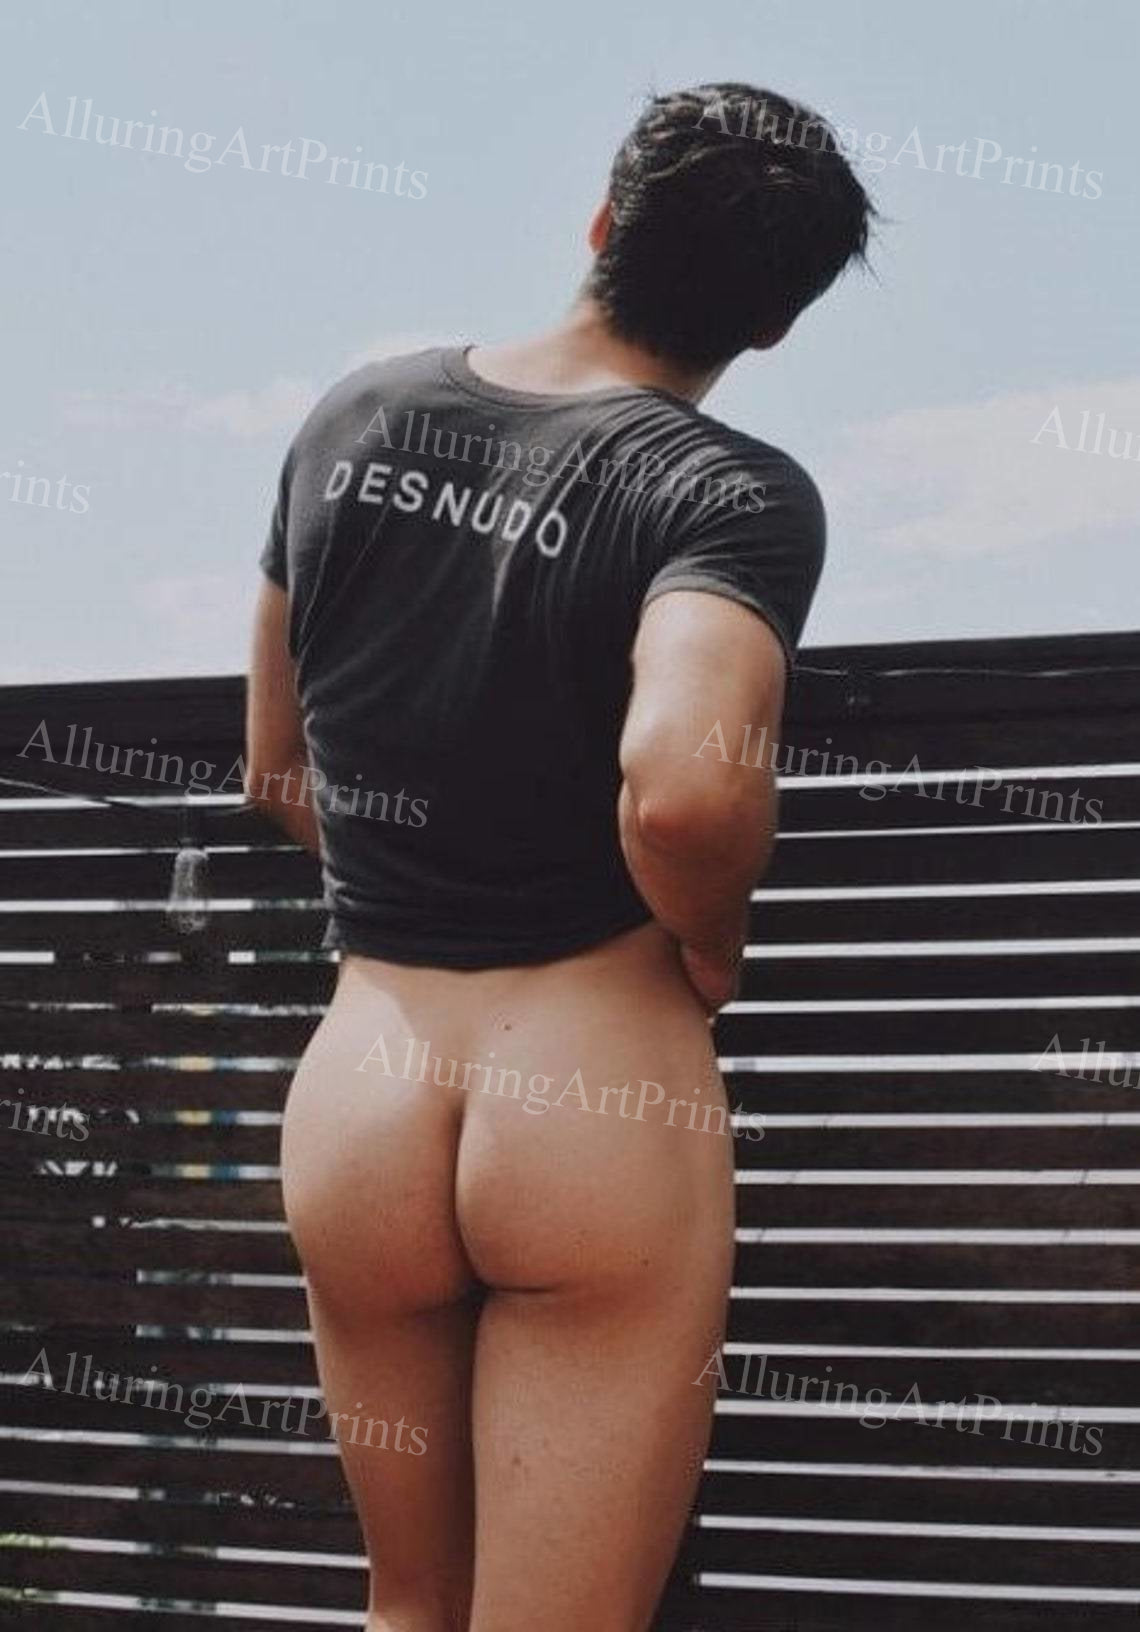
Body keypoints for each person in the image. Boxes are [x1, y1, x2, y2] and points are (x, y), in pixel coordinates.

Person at [245, 81, 873, 1632]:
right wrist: (711, 939)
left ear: (601, 225)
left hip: (364, 1087)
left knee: (409, 1611)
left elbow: (276, 767)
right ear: (777, 322)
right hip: (590, 1098)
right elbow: (685, 789)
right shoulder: (726, 491)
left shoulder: (355, 419)